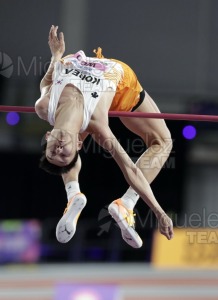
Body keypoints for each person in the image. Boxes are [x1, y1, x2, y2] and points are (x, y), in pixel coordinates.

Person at [35, 25, 174, 249]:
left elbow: (45, 83)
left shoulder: (43, 107)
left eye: (53, 151)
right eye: (64, 154)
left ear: (48, 136)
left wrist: (56, 56)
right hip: (118, 82)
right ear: (78, 144)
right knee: (163, 142)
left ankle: (73, 195)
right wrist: (159, 212)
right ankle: (126, 205)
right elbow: (130, 169)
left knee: (71, 114)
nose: (60, 149)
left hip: (76, 61)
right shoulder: (98, 125)